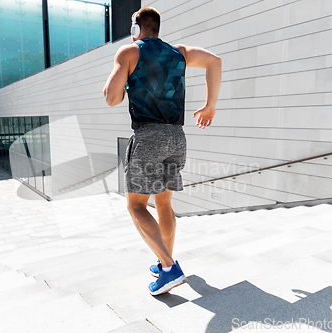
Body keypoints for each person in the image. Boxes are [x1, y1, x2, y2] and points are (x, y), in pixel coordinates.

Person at [103, 7, 221, 295]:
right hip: (176, 137)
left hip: (148, 138)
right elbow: (214, 62)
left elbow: (111, 98)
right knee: (164, 204)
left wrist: (123, 80)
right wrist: (210, 106)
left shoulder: (130, 52)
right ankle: (163, 259)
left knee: (136, 206)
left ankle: (169, 269)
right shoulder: (178, 52)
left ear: (136, 28)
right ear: (157, 27)